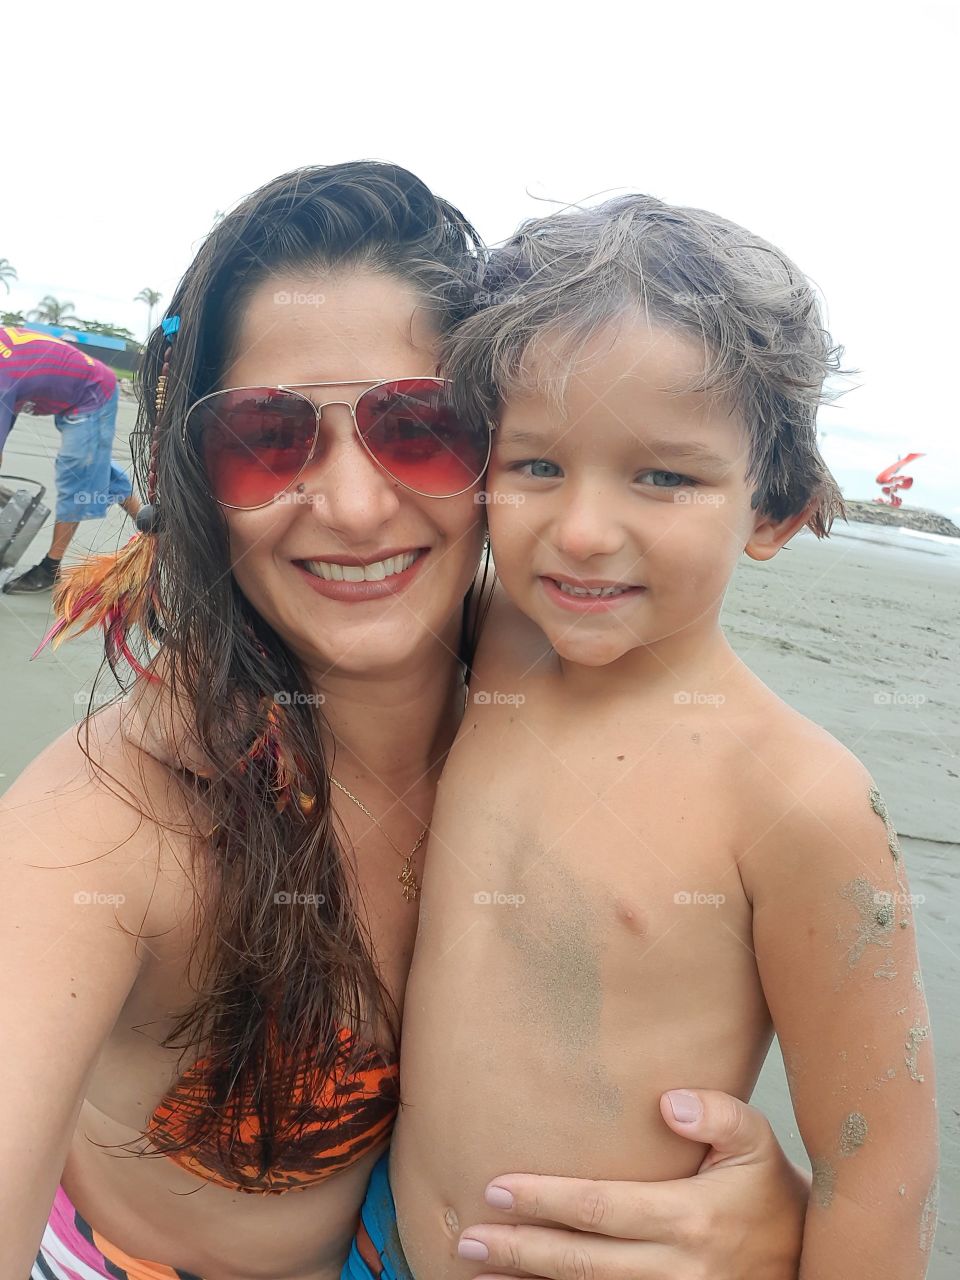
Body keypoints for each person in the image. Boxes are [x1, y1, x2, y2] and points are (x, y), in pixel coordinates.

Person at [1, 163, 810, 1280]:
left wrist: (773, 1212)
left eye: (419, 425)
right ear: (198, 472)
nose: (354, 503)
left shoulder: (577, 698)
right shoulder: (109, 823)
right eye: (265, 435)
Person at [387, 196, 941, 1278]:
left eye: (665, 476)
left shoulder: (795, 797)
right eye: (536, 464)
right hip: (379, 1241)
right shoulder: (493, 640)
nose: (584, 530)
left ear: (773, 510)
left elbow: (875, 1172)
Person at [0, 326, 141, 592]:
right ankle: (152, 525)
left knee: (75, 473)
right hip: (73, 389)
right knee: (93, 466)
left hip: (92, 393)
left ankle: (50, 569)